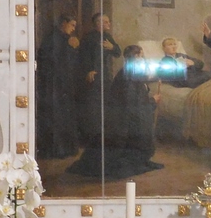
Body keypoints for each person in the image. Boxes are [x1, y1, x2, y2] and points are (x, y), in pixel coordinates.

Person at [67, 44, 162, 180]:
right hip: (123, 122)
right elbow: (132, 104)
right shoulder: (127, 75)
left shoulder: (132, 72)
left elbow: (140, 91)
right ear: (131, 58)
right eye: (138, 56)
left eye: (142, 55)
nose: (141, 59)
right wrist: (152, 100)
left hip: (127, 118)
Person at [34, 15, 82, 159]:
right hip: (53, 85)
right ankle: (56, 150)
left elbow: (71, 62)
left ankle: (66, 148)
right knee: (55, 117)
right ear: (64, 23)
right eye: (72, 25)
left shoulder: (65, 39)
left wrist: (73, 48)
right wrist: (70, 47)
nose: (73, 29)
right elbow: (53, 61)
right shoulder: (53, 39)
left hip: (63, 85)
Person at [76, 12, 121, 147]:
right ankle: (91, 138)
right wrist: (88, 70)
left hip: (105, 75)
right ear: (98, 24)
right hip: (93, 75)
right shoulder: (88, 38)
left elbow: (118, 52)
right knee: (93, 107)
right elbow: (83, 57)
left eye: (108, 22)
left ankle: (103, 137)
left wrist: (112, 47)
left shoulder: (107, 37)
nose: (108, 24)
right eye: (106, 22)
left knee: (105, 105)